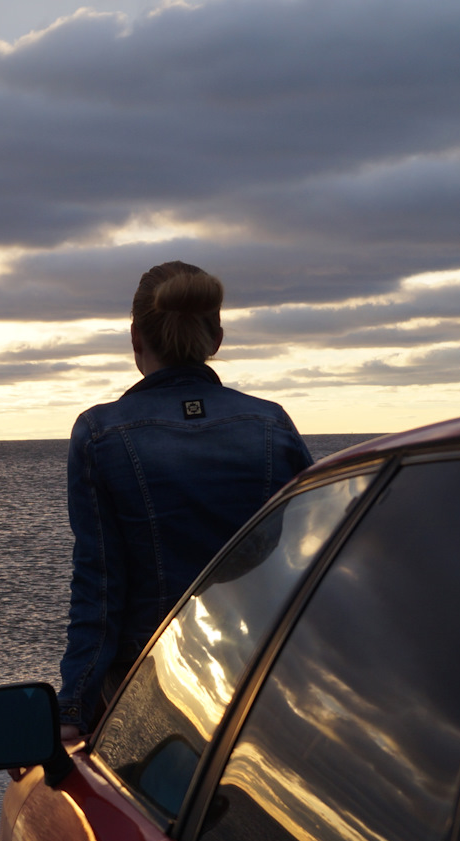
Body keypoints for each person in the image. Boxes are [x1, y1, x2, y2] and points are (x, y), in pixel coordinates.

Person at [57, 261, 312, 741]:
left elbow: (100, 588)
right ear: (216, 337)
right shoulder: (271, 425)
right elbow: (307, 562)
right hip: (264, 682)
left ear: (136, 338)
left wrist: (72, 711)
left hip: (155, 690)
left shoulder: (100, 434)